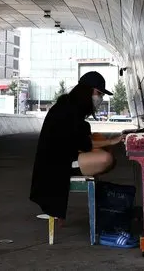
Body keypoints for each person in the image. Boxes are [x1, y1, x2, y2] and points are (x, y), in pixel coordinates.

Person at [29, 71, 123, 221]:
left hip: (64, 156)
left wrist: (104, 141)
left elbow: (80, 140)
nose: (100, 98)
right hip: (57, 165)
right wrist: (111, 141)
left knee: (102, 144)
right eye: (98, 93)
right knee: (105, 159)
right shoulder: (68, 110)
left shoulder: (70, 107)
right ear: (87, 91)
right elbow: (82, 143)